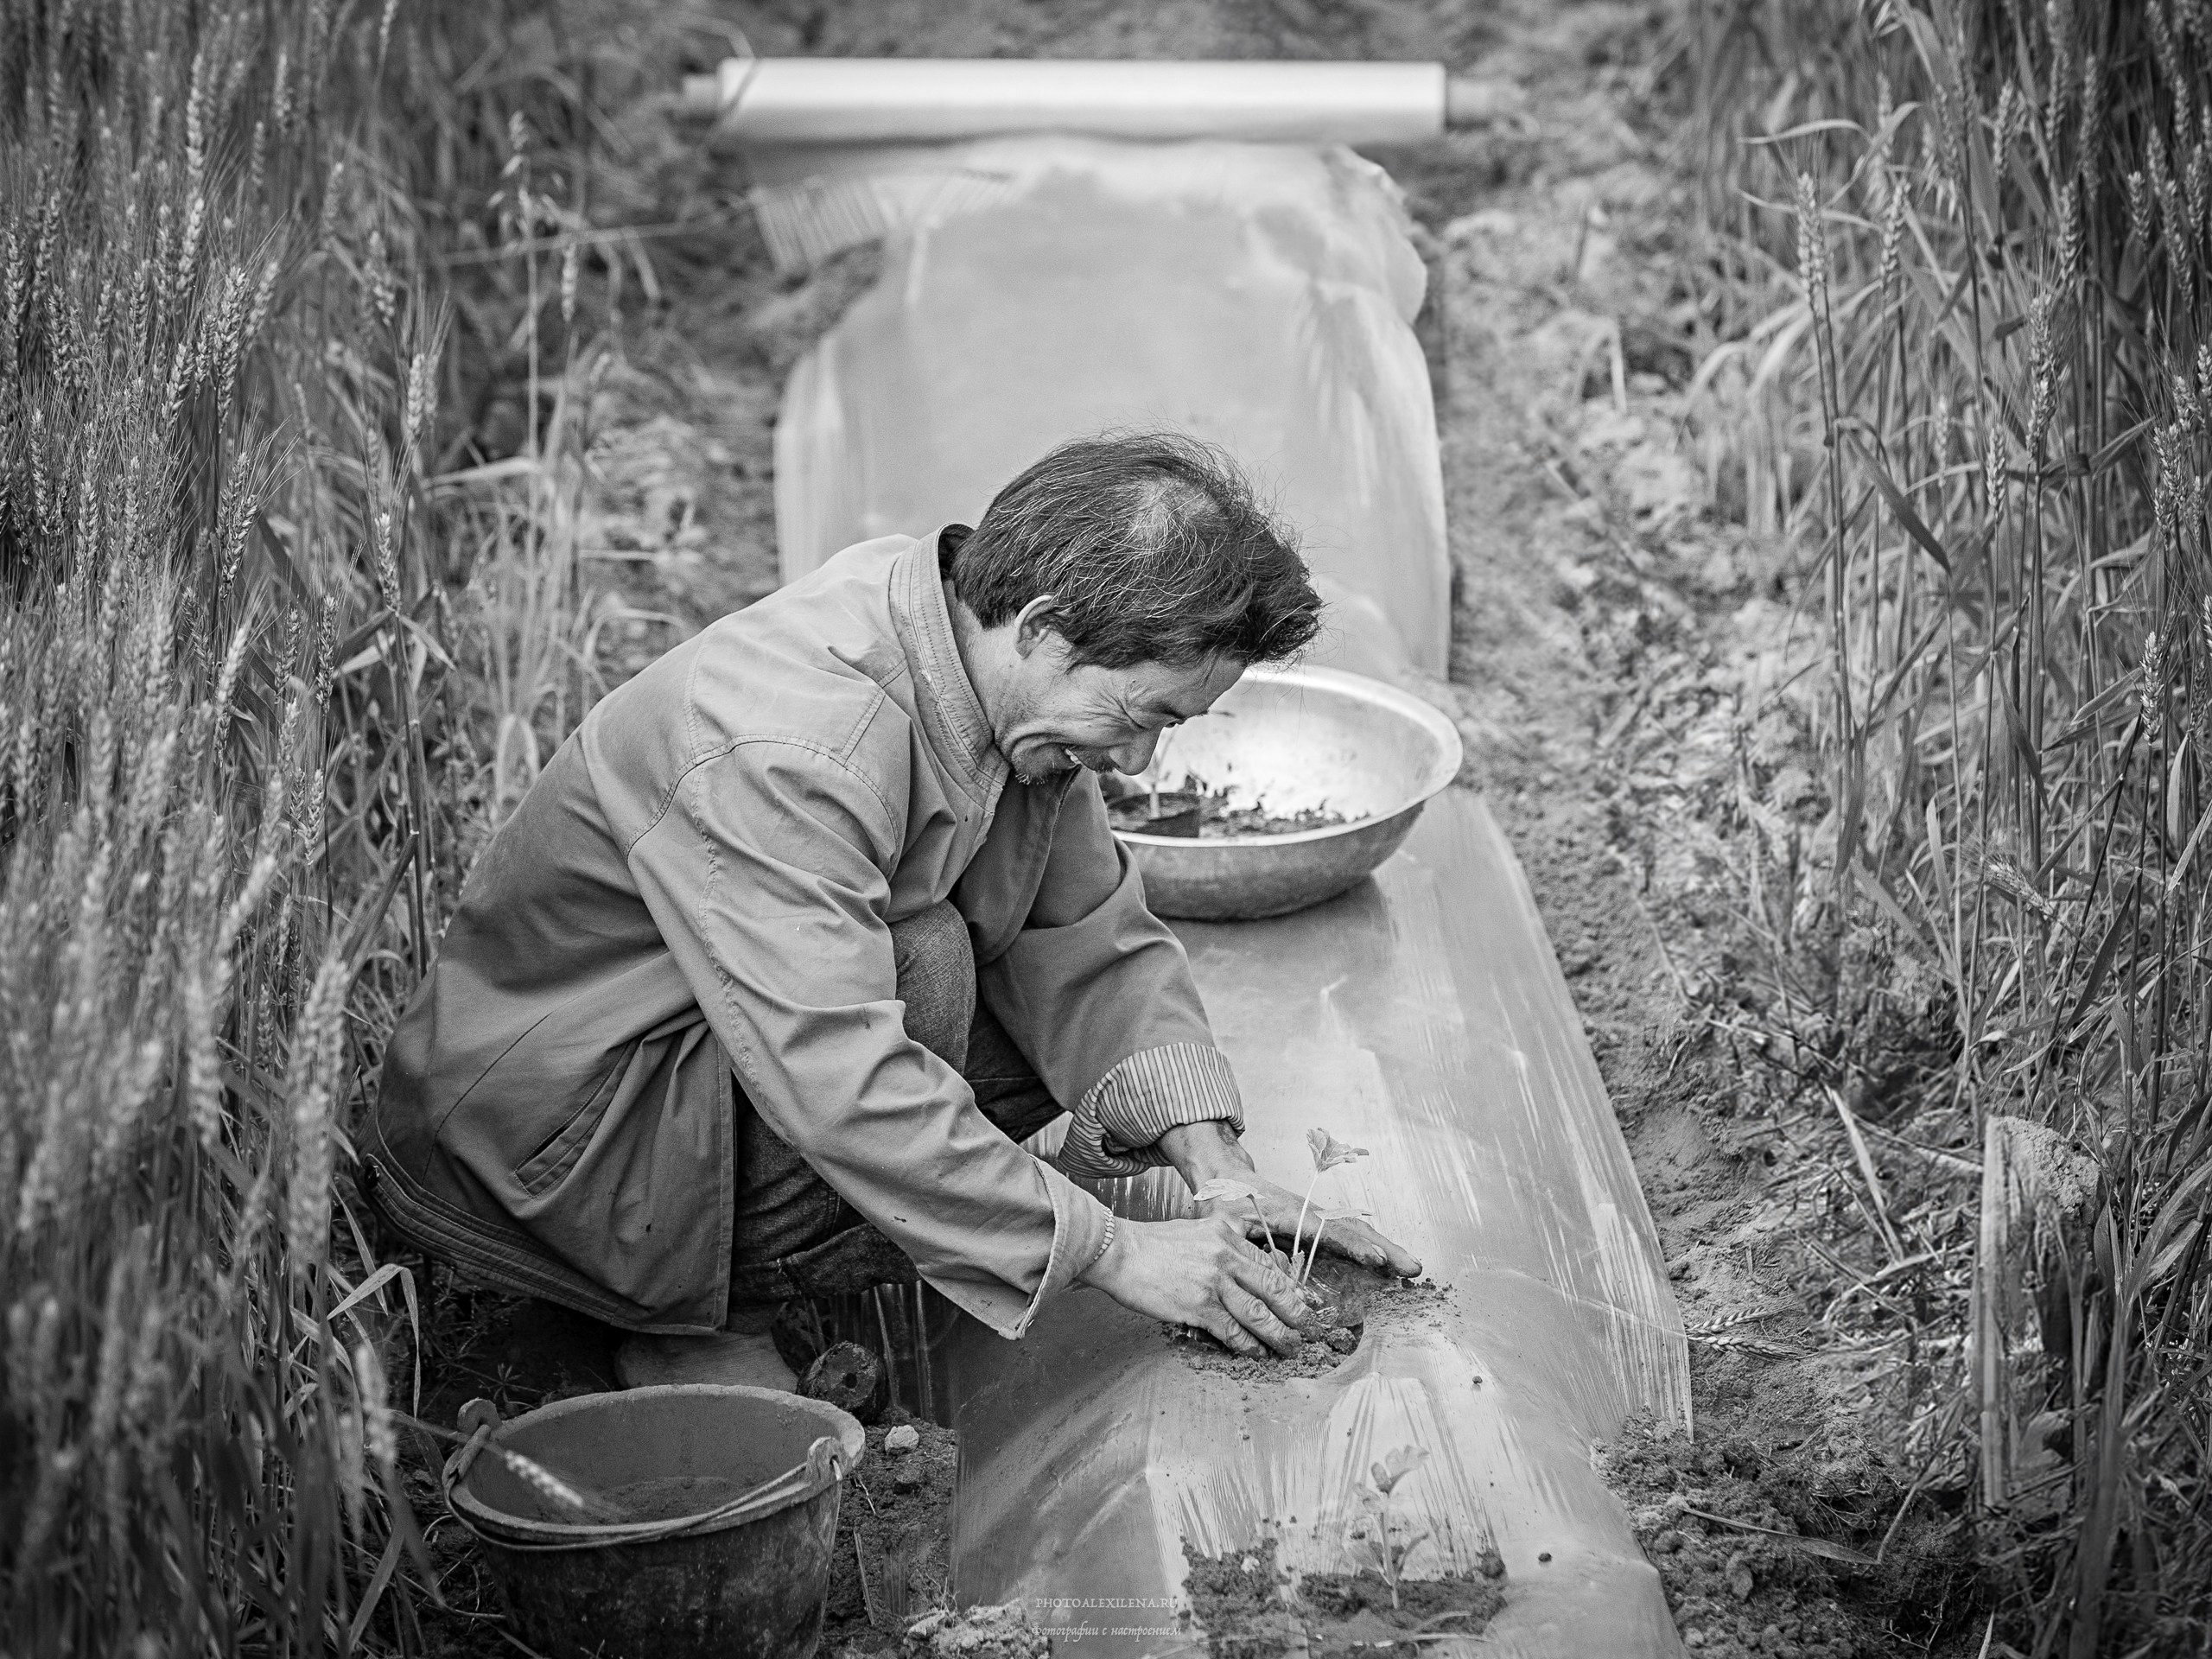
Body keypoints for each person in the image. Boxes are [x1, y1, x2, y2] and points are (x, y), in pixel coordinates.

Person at [366, 430, 1421, 1389]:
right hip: (558, 1142)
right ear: (1048, 628)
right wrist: (1115, 1251)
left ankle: (779, 1257)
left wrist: (1216, 1168)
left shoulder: (998, 673)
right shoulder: (793, 746)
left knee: (996, 978)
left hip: (705, 1072)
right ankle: (691, 1319)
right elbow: (840, 1075)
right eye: (1142, 716)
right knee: (929, 960)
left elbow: (1088, 935)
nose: (1142, 759)